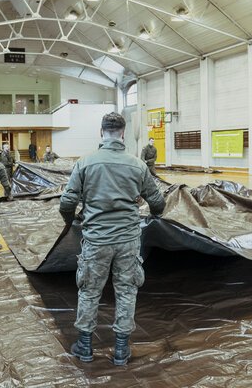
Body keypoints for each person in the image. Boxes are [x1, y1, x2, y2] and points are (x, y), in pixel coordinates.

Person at [60, 112, 166, 366]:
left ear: (101, 133)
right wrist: (155, 214)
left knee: (89, 292)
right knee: (127, 291)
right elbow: (157, 202)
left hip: (96, 240)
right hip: (128, 240)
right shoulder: (138, 165)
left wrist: (71, 219)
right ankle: (121, 350)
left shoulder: (85, 163)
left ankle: (85, 347)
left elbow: (67, 201)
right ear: (123, 133)